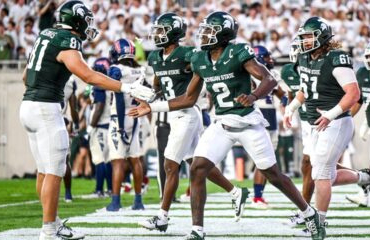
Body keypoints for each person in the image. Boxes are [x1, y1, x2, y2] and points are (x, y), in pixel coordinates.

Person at [130, 11, 321, 240]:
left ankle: (309, 214)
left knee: (274, 175)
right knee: (197, 168)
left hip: (248, 122)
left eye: (210, 30)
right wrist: (153, 107)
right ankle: (197, 230)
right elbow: (188, 99)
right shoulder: (200, 59)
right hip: (221, 122)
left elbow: (269, 79)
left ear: (224, 33)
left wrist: (253, 96)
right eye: (204, 30)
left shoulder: (237, 52)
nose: (203, 35)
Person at [19, 1, 154, 239]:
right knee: (54, 171)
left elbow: (25, 75)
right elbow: (89, 76)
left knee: (44, 170)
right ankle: (49, 229)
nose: (88, 25)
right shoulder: (68, 40)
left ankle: (53, 222)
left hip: (28, 105)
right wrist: (126, 87)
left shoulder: (46, 35)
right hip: (45, 108)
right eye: (86, 19)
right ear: (77, 20)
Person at [137, 13, 249, 233]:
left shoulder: (189, 53)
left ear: (174, 32)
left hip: (187, 113)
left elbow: (206, 68)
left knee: (170, 165)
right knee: (195, 164)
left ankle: (162, 216)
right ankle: (235, 192)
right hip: (173, 114)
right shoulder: (154, 57)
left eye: (162, 30)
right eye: (157, 30)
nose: (157, 34)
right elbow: (158, 83)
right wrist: (147, 93)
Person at [283, 17, 370, 239]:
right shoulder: (305, 58)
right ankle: (366, 178)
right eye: (303, 37)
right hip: (317, 122)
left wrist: (331, 114)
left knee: (321, 173)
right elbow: (305, 88)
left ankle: (319, 223)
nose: (304, 41)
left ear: (321, 37)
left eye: (308, 37)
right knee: (324, 174)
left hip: (337, 122)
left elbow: (354, 93)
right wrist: (292, 107)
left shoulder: (336, 58)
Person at [105, 39, 146, 211]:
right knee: (134, 158)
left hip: (120, 117)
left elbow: (120, 98)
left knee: (118, 161)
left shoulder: (116, 70)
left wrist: (120, 126)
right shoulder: (139, 69)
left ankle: (115, 202)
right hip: (136, 115)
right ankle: (138, 201)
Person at [281, 39, 315, 226]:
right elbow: (292, 93)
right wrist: (288, 110)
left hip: (322, 119)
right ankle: (364, 177)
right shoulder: (287, 71)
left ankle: (306, 210)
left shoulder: (317, 67)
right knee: (312, 164)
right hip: (306, 121)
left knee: (311, 163)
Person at [250, 45, 286, 209]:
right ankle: (257, 197)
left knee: (266, 161)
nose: (270, 60)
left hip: (270, 118)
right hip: (256, 117)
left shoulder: (273, 74)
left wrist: (287, 104)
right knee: (263, 161)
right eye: (266, 57)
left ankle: (258, 196)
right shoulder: (249, 73)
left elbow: (282, 95)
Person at [346, 41, 370, 207]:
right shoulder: (363, 73)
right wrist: (347, 117)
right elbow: (358, 100)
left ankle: (364, 195)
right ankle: (364, 195)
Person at [88, 57, 113, 198]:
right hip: (108, 125)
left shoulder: (99, 85)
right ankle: (109, 189)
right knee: (107, 159)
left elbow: (100, 106)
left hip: (101, 126)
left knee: (99, 159)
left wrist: (91, 126)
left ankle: (99, 190)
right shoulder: (108, 84)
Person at [61, 73, 80, 203]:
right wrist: (76, 125)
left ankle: (46, 194)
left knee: (44, 163)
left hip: (44, 119)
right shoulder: (70, 80)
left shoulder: (46, 73)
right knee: (65, 160)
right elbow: (74, 108)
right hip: (62, 122)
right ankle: (68, 193)